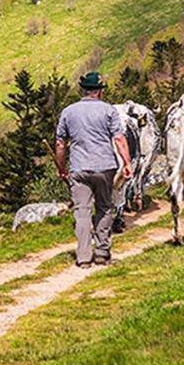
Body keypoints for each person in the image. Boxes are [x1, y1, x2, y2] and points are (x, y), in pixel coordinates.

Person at [54, 72, 133, 268]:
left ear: (83, 90)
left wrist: (62, 167)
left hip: (79, 168)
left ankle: (83, 257)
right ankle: (102, 252)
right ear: (99, 91)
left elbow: (60, 144)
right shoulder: (109, 111)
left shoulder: (68, 112)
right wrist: (127, 163)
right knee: (104, 207)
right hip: (105, 167)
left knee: (82, 212)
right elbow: (119, 139)